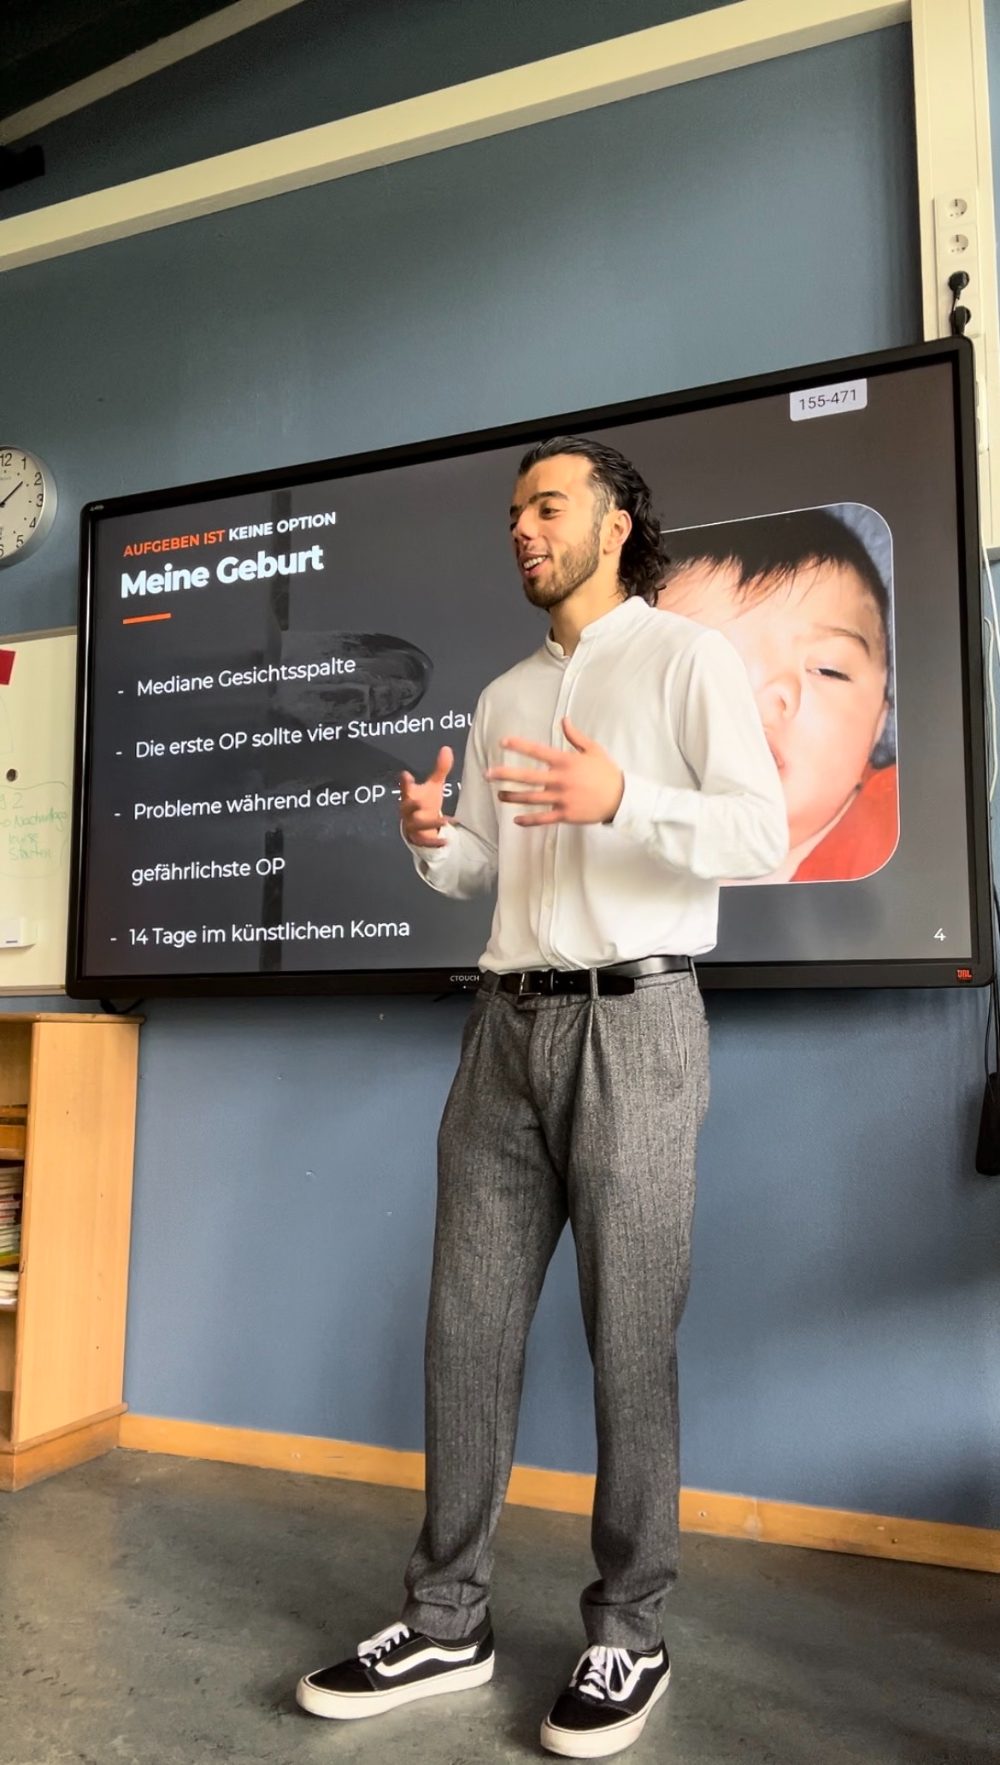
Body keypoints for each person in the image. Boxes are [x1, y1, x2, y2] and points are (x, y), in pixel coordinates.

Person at [296, 437, 787, 1758]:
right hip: (502, 1033)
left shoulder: (688, 661)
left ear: (617, 522)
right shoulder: (510, 692)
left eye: (547, 505)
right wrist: (430, 842)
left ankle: (632, 1630)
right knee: (463, 1334)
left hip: (640, 1024)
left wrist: (626, 794)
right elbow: (488, 877)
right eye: (513, 510)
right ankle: (448, 1618)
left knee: (632, 1343)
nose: (521, 527)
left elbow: (767, 832)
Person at [657, 510, 898, 884]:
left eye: (827, 669)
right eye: (697, 670)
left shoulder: (903, 824)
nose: (773, 693)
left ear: (880, 721)